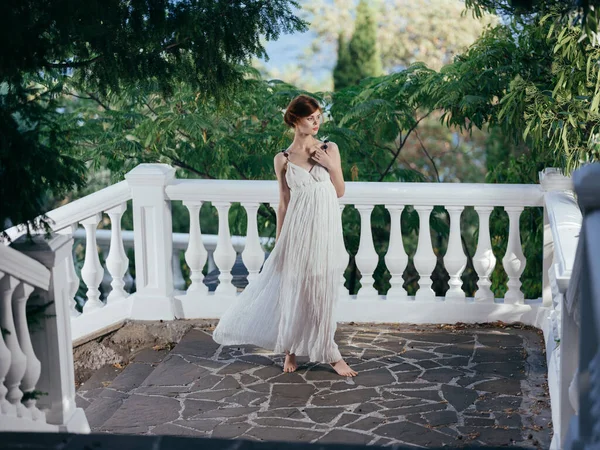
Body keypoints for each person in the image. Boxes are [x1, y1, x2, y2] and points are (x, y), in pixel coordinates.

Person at [212, 94, 357, 377]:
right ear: (295, 120)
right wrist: (281, 242)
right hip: (297, 232)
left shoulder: (330, 149)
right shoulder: (283, 159)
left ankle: (330, 352)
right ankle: (290, 349)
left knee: (323, 289)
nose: (317, 122)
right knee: (294, 288)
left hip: (325, 231)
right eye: (310, 118)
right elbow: (283, 203)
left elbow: (339, 191)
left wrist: (330, 164)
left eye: (319, 117)